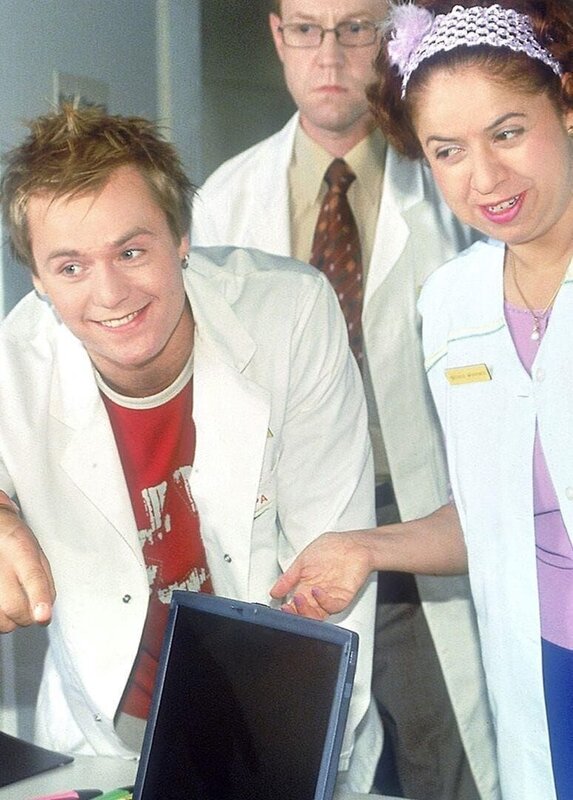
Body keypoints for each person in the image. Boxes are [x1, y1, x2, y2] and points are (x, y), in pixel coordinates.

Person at [0, 104, 381, 789]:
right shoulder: (14, 363)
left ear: (181, 238)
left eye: (131, 251)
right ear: (37, 278)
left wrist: (300, 764)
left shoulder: (290, 313)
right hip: (104, 730)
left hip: (276, 713)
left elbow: (332, 561)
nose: (110, 293)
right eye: (70, 266)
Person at [191, 1, 498, 798]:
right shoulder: (223, 201)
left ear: (391, 36)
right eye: (306, 28)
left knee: (447, 763)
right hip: (290, 539)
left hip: (422, 520)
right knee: (303, 763)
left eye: (356, 28)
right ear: (277, 35)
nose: (328, 55)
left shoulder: (454, 180)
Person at [271, 1, 573, 797]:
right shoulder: (452, 304)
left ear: (565, 106)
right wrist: (366, 548)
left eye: (507, 132)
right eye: (448, 151)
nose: (485, 177)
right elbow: (490, 517)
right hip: (539, 664)